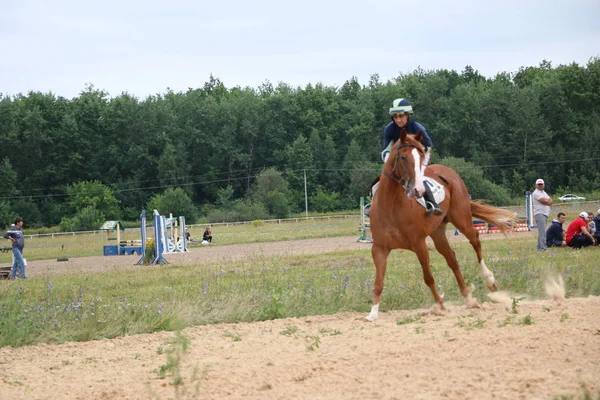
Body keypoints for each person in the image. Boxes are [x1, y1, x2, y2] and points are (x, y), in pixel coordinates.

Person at [365, 98, 441, 216]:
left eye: (401, 116)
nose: (398, 119)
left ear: (408, 115)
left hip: (418, 156)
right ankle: (373, 205)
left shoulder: (417, 127)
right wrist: (389, 164)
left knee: (419, 176)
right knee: (378, 182)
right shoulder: (389, 129)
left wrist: (416, 160)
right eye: (395, 117)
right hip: (399, 158)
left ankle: (432, 204)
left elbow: (428, 146)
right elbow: (386, 150)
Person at [532, 179, 552, 251]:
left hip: (544, 214)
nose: (540, 185)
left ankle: (539, 247)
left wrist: (548, 201)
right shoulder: (536, 193)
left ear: (543, 184)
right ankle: (543, 248)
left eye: (541, 184)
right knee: (542, 233)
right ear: (536, 185)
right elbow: (545, 201)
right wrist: (548, 201)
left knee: (542, 232)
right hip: (540, 213)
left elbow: (550, 200)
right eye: (539, 184)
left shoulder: (543, 192)